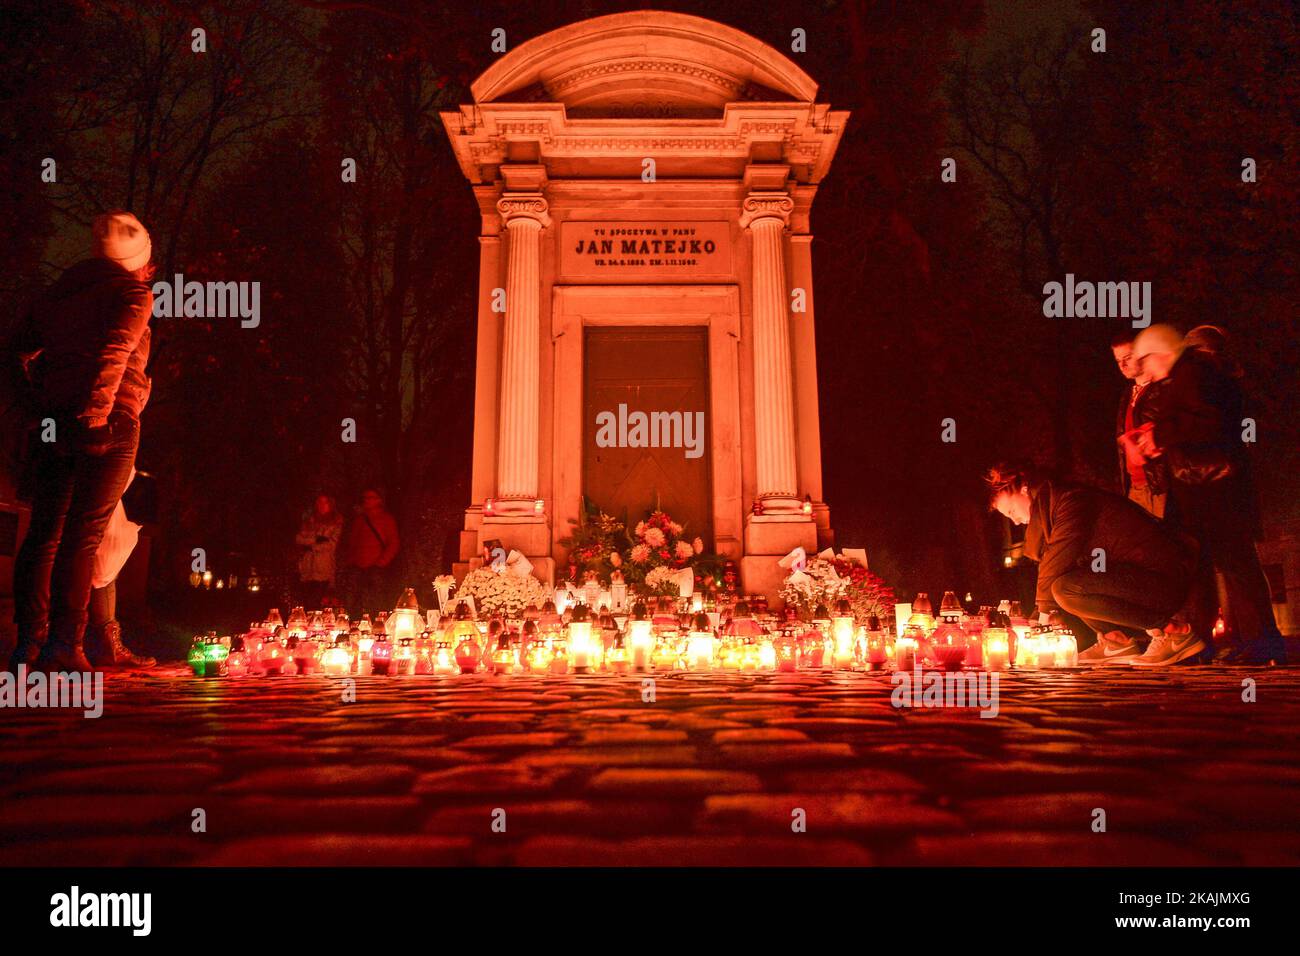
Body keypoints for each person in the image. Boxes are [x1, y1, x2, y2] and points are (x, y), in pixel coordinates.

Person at [6, 212, 154, 673]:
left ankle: (28, 644)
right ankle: (65, 647)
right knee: (83, 536)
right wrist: (96, 412)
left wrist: (38, 408)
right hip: (107, 420)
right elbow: (116, 350)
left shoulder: (56, 295)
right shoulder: (132, 293)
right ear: (138, 262)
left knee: (43, 534)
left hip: (55, 420)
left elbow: (14, 355)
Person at [1134, 324, 1285, 664]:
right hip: (1203, 484)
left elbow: (1205, 420)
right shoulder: (1194, 374)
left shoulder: (1193, 373)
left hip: (1212, 486)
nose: (1146, 371)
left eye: (1146, 361)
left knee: (1233, 562)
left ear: (1160, 354)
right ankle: (1222, 641)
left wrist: (1159, 434)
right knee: (1209, 564)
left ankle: (1261, 642)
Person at [987, 462, 1200, 666]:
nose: (1015, 521)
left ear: (1024, 489)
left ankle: (1174, 632)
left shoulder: (1070, 500)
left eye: (1011, 511)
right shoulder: (1053, 507)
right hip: (1138, 577)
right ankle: (1114, 642)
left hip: (1163, 580)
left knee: (1065, 588)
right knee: (1065, 582)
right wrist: (1041, 615)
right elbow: (1055, 564)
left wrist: (1041, 620)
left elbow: (1057, 560)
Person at [87, 469, 155, 667]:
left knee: (103, 565)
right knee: (102, 566)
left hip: (98, 496)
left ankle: (95, 645)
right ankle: (105, 647)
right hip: (96, 495)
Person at [1110, 328, 1166, 517]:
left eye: (1127, 358)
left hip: (1159, 486)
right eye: (1118, 361)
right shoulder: (1127, 395)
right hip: (1135, 487)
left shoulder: (1161, 390)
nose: (1122, 365)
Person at [344, 488, 399, 613]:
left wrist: (380, 563)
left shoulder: (386, 519)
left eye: (371, 497)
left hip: (377, 568)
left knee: (376, 601)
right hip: (358, 567)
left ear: (379, 500)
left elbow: (393, 543)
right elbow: (353, 543)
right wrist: (352, 562)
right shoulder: (360, 520)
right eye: (365, 498)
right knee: (355, 601)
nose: (367, 501)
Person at [295, 494, 343, 608]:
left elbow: (330, 545)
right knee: (307, 603)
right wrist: (316, 540)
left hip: (323, 569)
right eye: (319, 502)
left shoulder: (336, 523)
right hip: (307, 569)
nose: (321, 505)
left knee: (318, 602)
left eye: (324, 502)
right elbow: (299, 538)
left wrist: (311, 546)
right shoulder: (309, 522)